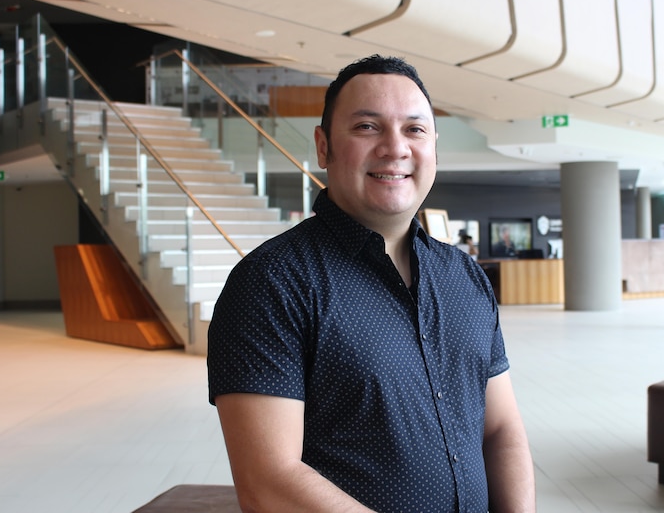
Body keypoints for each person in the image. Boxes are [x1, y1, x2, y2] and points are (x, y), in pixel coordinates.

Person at [207, 54, 535, 512]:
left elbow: (500, 430)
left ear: (434, 146)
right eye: (367, 127)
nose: (395, 147)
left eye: (414, 129)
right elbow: (268, 480)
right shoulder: (272, 284)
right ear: (324, 147)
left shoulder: (465, 278)